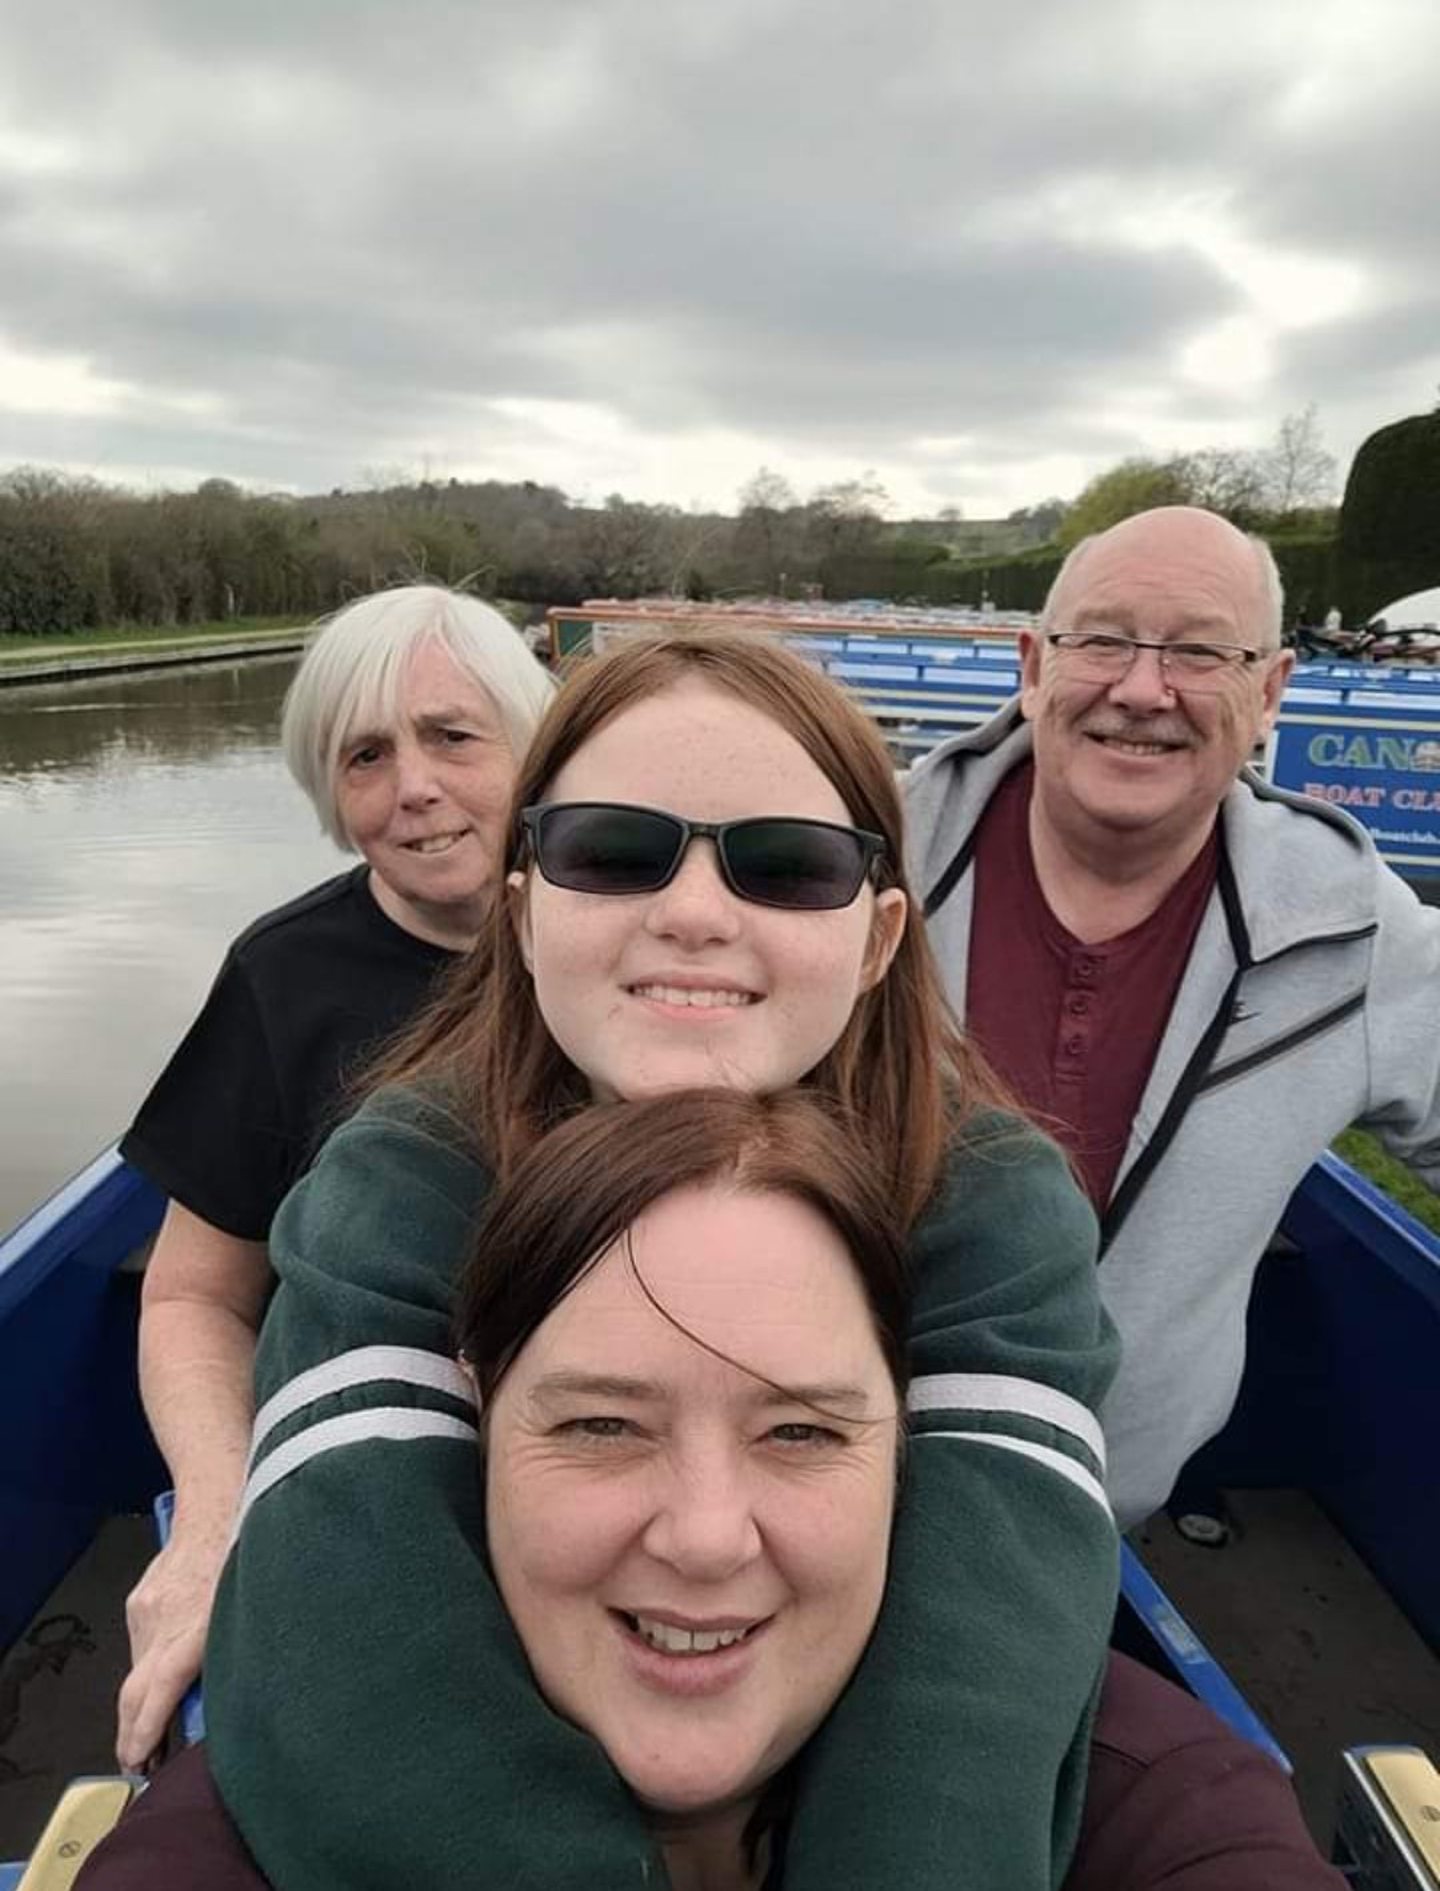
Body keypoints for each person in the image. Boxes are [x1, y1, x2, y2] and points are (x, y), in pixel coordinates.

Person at [200, 630, 1120, 1891]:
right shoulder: (398, 1177)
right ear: (522, 915)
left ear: (876, 938)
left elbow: (975, 1675)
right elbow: (348, 1629)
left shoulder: (994, 1197)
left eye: (789, 869)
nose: (692, 914)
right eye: (610, 852)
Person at [77, 1093, 1345, 1891]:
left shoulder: (1162, 1803)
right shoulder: (251, 1819)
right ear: (467, 1429)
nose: (702, 1535)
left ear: (914, 1447)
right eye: (600, 1423)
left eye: (798, 1430)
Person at [904, 505, 1440, 1528]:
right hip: (794, 1500)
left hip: (1087, 1528)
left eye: (1200, 651)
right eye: (1101, 639)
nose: (1142, 690)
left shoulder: (1353, 934)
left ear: (1271, 690)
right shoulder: (854, 864)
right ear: (1032, 663)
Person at [114, 583, 553, 1769]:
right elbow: (193, 1294)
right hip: (367, 1471)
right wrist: (214, 1517)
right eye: (366, 754)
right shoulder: (285, 974)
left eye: (454, 736)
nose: (412, 785)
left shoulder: (643, 925)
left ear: (537, 745)